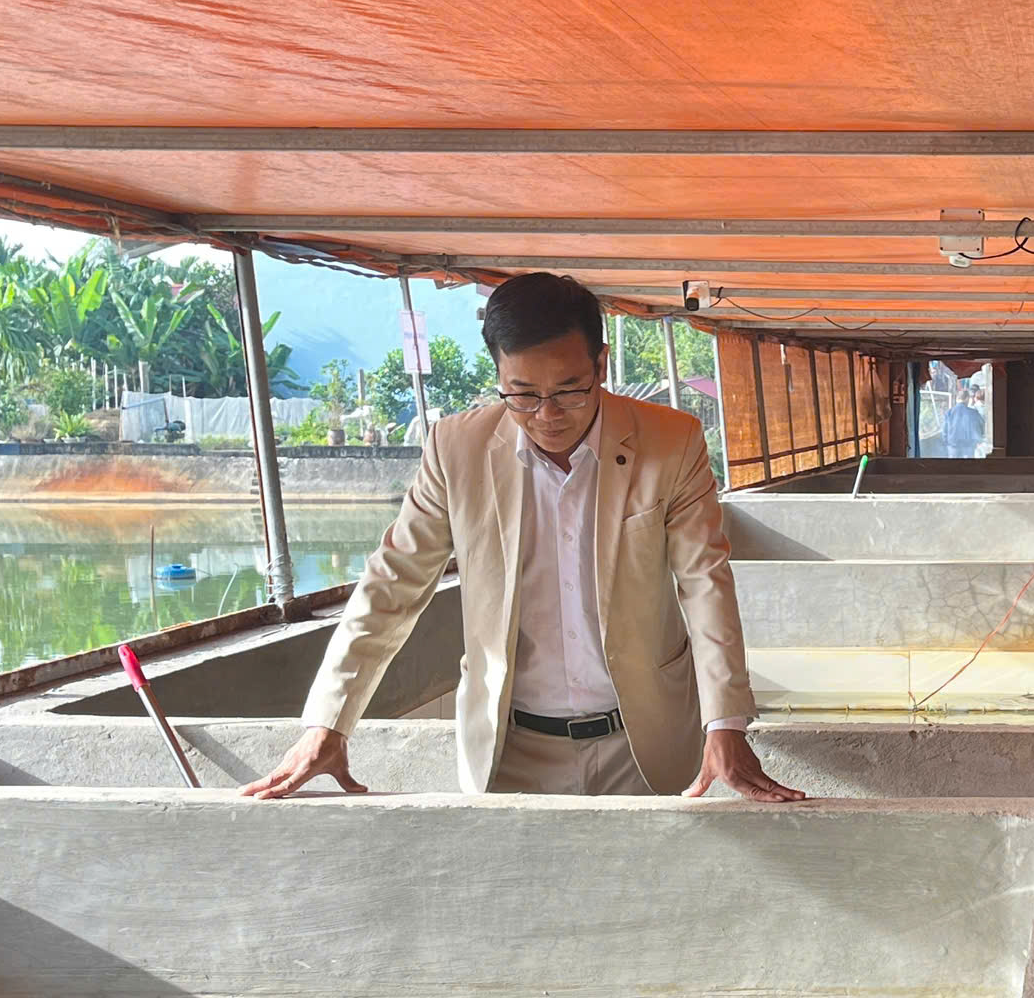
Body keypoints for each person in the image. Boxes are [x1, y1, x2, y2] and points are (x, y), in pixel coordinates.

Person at [243, 272, 800, 803]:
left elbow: (704, 583)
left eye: (570, 390)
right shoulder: (456, 450)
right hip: (508, 749)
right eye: (523, 394)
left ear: (601, 364)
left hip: (643, 743)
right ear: (499, 375)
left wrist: (725, 721)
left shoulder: (670, 441)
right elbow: (391, 585)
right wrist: (328, 722)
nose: (547, 414)